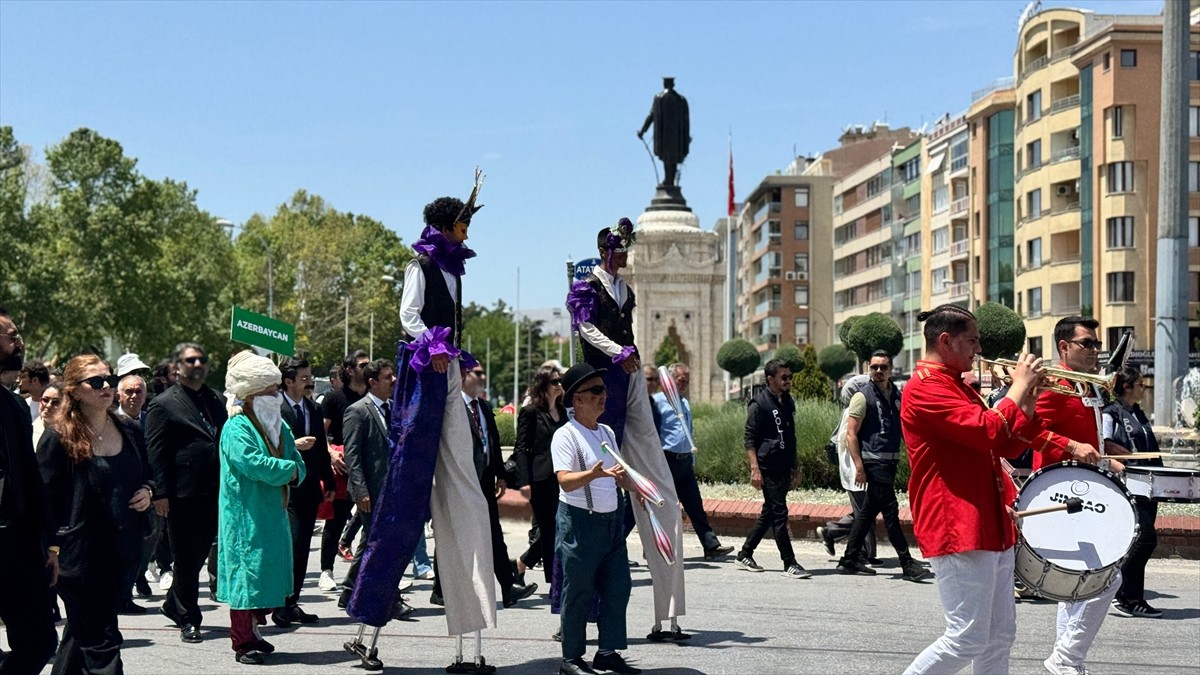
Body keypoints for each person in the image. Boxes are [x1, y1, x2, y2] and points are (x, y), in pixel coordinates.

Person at [342, 187, 497, 672]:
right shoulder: (422, 266)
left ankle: (469, 647)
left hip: (447, 371)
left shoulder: (453, 269)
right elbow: (409, 317)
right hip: (422, 373)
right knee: (404, 499)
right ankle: (366, 632)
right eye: (463, 222)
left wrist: (453, 356)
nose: (467, 230)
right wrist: (432, 345)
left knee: (467, 498)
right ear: (446, 224)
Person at [900, 304, 1043, 675]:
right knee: (966, 638)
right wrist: (1019, 386)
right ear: (946, 340)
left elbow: (1007, 445)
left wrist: (1026, 399)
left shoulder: (955, 384)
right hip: (958, 522)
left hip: (989, 520)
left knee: (999, 637)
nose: (978, 350)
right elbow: (988, 430)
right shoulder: (924, 388)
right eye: (973, 341)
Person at [567, 218, 687, 639]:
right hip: (603, 375)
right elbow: (585, 328)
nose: (624, 259)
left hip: (626, 377)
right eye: (619, 252)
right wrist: (620, 352)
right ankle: (577, 614)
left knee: (658, 494)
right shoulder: (586, 289)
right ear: (605, 252)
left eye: (626, 252)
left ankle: (666, 614)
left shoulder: (626, 290)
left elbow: (626, 330)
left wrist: (632, 360)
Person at [37, 354, 155, 675]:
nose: (107, 387)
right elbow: (43, 502)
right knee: (103, 641)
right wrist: (51, 550)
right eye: (97, 382)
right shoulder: (58, 437)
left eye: (110, 380)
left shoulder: (129, 429)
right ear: (74, 391)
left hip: (122, 552)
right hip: (77, 559)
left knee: (80, 635)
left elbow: (149, 473)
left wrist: (148, 491)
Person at [1031, 316, 1120, 675]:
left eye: (1097, 344)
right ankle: (1066, 658)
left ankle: (1068, 660)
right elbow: (1030, 431)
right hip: (1061, 491)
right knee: (1107, 577)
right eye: (1089, 343)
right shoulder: (1053, 386)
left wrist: (1108, 451)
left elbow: (1087, 435)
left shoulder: (1086, 386)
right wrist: (1071, 446)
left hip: (1083, 489)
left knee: (1077, 581)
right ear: (1064, 347)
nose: (1096, 350)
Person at [216, 350, 307, 665]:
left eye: (276, 389)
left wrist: (295, 470)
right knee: (246, 578)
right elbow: (253, 464)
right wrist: (289, 470)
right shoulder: (237, 427)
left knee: (267, 575)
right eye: (269, 390)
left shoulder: (278, 425)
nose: (275, 395)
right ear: (252, 393)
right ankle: (243, 642)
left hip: (273, 514)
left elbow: (296, 459)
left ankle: (255, 632)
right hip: (246, 517)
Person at [554, 363, 640, 675]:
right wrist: (592, 473)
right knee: (578, 590)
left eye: (603, 389)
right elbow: (564, 481)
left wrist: (637, 486)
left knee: (619, 586)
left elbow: (618, 474)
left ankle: (607, 651)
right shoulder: (566, 436)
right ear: (577, 399)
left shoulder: (606, 431)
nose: (604, 396)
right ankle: (571, 659)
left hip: (611, 520)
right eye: (596, 391)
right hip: (580, 521)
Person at [144, 342, 228, 643]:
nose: (196, 365)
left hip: (213, 491)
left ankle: (173, 603)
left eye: (201, 360)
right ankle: (189, 618)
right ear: (177, 367)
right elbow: (156, 452)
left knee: (199, 554)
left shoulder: (215, 399)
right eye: (190, 360)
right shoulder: (163, 404)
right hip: (181, 494)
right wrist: (161, 493)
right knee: (186, 557)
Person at [433, 365, 537, 608]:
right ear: (461, 376)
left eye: (483, 373)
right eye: (476, 373)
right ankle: (440, 588)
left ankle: (508, 585)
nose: (482, 377)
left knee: (493, 533)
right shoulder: (451, 406)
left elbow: (493, 442)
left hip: (484, 481)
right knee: (452, 531)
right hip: (459, 481)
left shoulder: (483, 407)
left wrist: (500, 474)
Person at [0, 308, 59, 675]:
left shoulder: (15, 405)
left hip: (17, 545)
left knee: (39, 641)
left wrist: (50, 545)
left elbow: (33, 479)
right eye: (11, 336)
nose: (19, 342)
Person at [835, 351, 927, 581]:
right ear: (868, 368)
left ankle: (849, 559)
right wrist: (859, 466)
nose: (878, 371)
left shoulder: (896, 395)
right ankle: (907, 563)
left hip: (890, 461)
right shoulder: (862, 396)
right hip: (873, 462)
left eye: (883, 367)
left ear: (891, 369)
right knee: (891, 512)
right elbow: (851, 435)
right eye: (874, 367)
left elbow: (903, 429)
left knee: (866, 514)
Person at [339, 359, 412, 619]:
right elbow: (353, 455)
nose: (393, 381)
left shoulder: (394, 410)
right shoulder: (357, 411)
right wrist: (360, 491)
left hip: (392, 491)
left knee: (372, 545)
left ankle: (349, 590)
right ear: (372, 382)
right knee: (382, 546)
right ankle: (391, 600)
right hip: (371, 492)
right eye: (388, 377)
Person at [274, 356, 335, 627]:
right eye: (304, 377)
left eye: (310, 376)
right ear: (288, 381)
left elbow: (321, 448)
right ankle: (281, 603)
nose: (309, 381)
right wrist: (293, 445)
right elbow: (269, 445)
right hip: (285, 489)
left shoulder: (311, 407)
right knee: (292, 547)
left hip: (309, 487)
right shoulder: (274, 408)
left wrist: (329, 482)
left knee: (302, 548)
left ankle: (292, 602)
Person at [653, 363, 733, 565]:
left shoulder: (685, 403)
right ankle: (642, 548)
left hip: (684, 461)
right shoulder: (657, 402)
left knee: (695, 506)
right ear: (670, 380)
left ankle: (711, 546)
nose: (684, 385)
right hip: (666, 460)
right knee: (656, 507)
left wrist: (692, 459)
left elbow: (689, 432)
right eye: (681, 381)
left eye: (687, 382)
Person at [735, 359, 808, 579]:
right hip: (768, 466)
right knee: (779, 513)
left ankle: (745, 553)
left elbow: (790, 436)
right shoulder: (759, 404)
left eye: (790, 377)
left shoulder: (787, 401)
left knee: (769, 512)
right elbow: (749, 439)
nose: (788, 381)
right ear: (770, 379)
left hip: (784, 465)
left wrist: (796, 464)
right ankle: (789, 563)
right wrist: (755, 469)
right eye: (783, 377)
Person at [1102, 366, 1162, 618]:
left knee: (1144, 539)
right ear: (1126, 387)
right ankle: (1121, 593)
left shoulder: (1136, 412)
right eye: (1140, 385)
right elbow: (1102, 445)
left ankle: (1134, 597)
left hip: (1147, 482)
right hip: (1128, 482)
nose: (1144, 389)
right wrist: (1119, 467)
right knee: (1144, 538)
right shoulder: (1111, 413)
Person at [317, 350, 368, 592]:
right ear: (349, 370)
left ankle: (368, 573)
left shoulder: (372, 395)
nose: (367, 368)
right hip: (342, 466)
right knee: (336, 521)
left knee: (371, 519)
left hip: (368, 466)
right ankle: (326, 571)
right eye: (362, 365)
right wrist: (331, 453)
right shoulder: (333, 399)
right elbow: (320, 432)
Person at [514, 367, 569, 585]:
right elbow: (520, 448)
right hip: (540, 479)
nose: (559, 385)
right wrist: (524, 482)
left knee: (559, 527)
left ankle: (522, 563)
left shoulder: (563, 412)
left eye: (560, 382)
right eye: (555, 382)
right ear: (543, 385)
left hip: (562, 477)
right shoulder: (531, 412)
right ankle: (555, 581)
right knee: (550, 529)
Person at [637, 76, 690, 188]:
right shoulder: (681, 99)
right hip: (677, 136)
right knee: (673, 157)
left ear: (664, 84)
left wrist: (643, 130)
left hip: (663, 135)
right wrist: (686, 138)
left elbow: (651, 116)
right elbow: (687, 121)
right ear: (673, 85)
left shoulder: (659, 98)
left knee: (666, 157)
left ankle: (668, 180)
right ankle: (669, 180)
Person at [32, 384, 62, 448]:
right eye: (45, 400)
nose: (48, 405)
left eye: (55, 402)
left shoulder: (68, 435)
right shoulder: (29, 429)